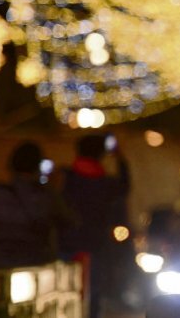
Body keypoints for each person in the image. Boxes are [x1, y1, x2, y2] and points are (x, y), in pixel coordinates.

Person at [58, 134, 130, 318]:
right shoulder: (104, 183)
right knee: (92, 293)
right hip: (94, 246)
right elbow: (125, 186)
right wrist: (119, 157)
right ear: (101, 154)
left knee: (61, 292)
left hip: (66, 244)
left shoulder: (65, 178)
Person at [0, 142, 70, 268]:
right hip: (36, 263)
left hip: (0, 263)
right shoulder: (46, 196)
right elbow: (67, 222)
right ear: (37, 166)